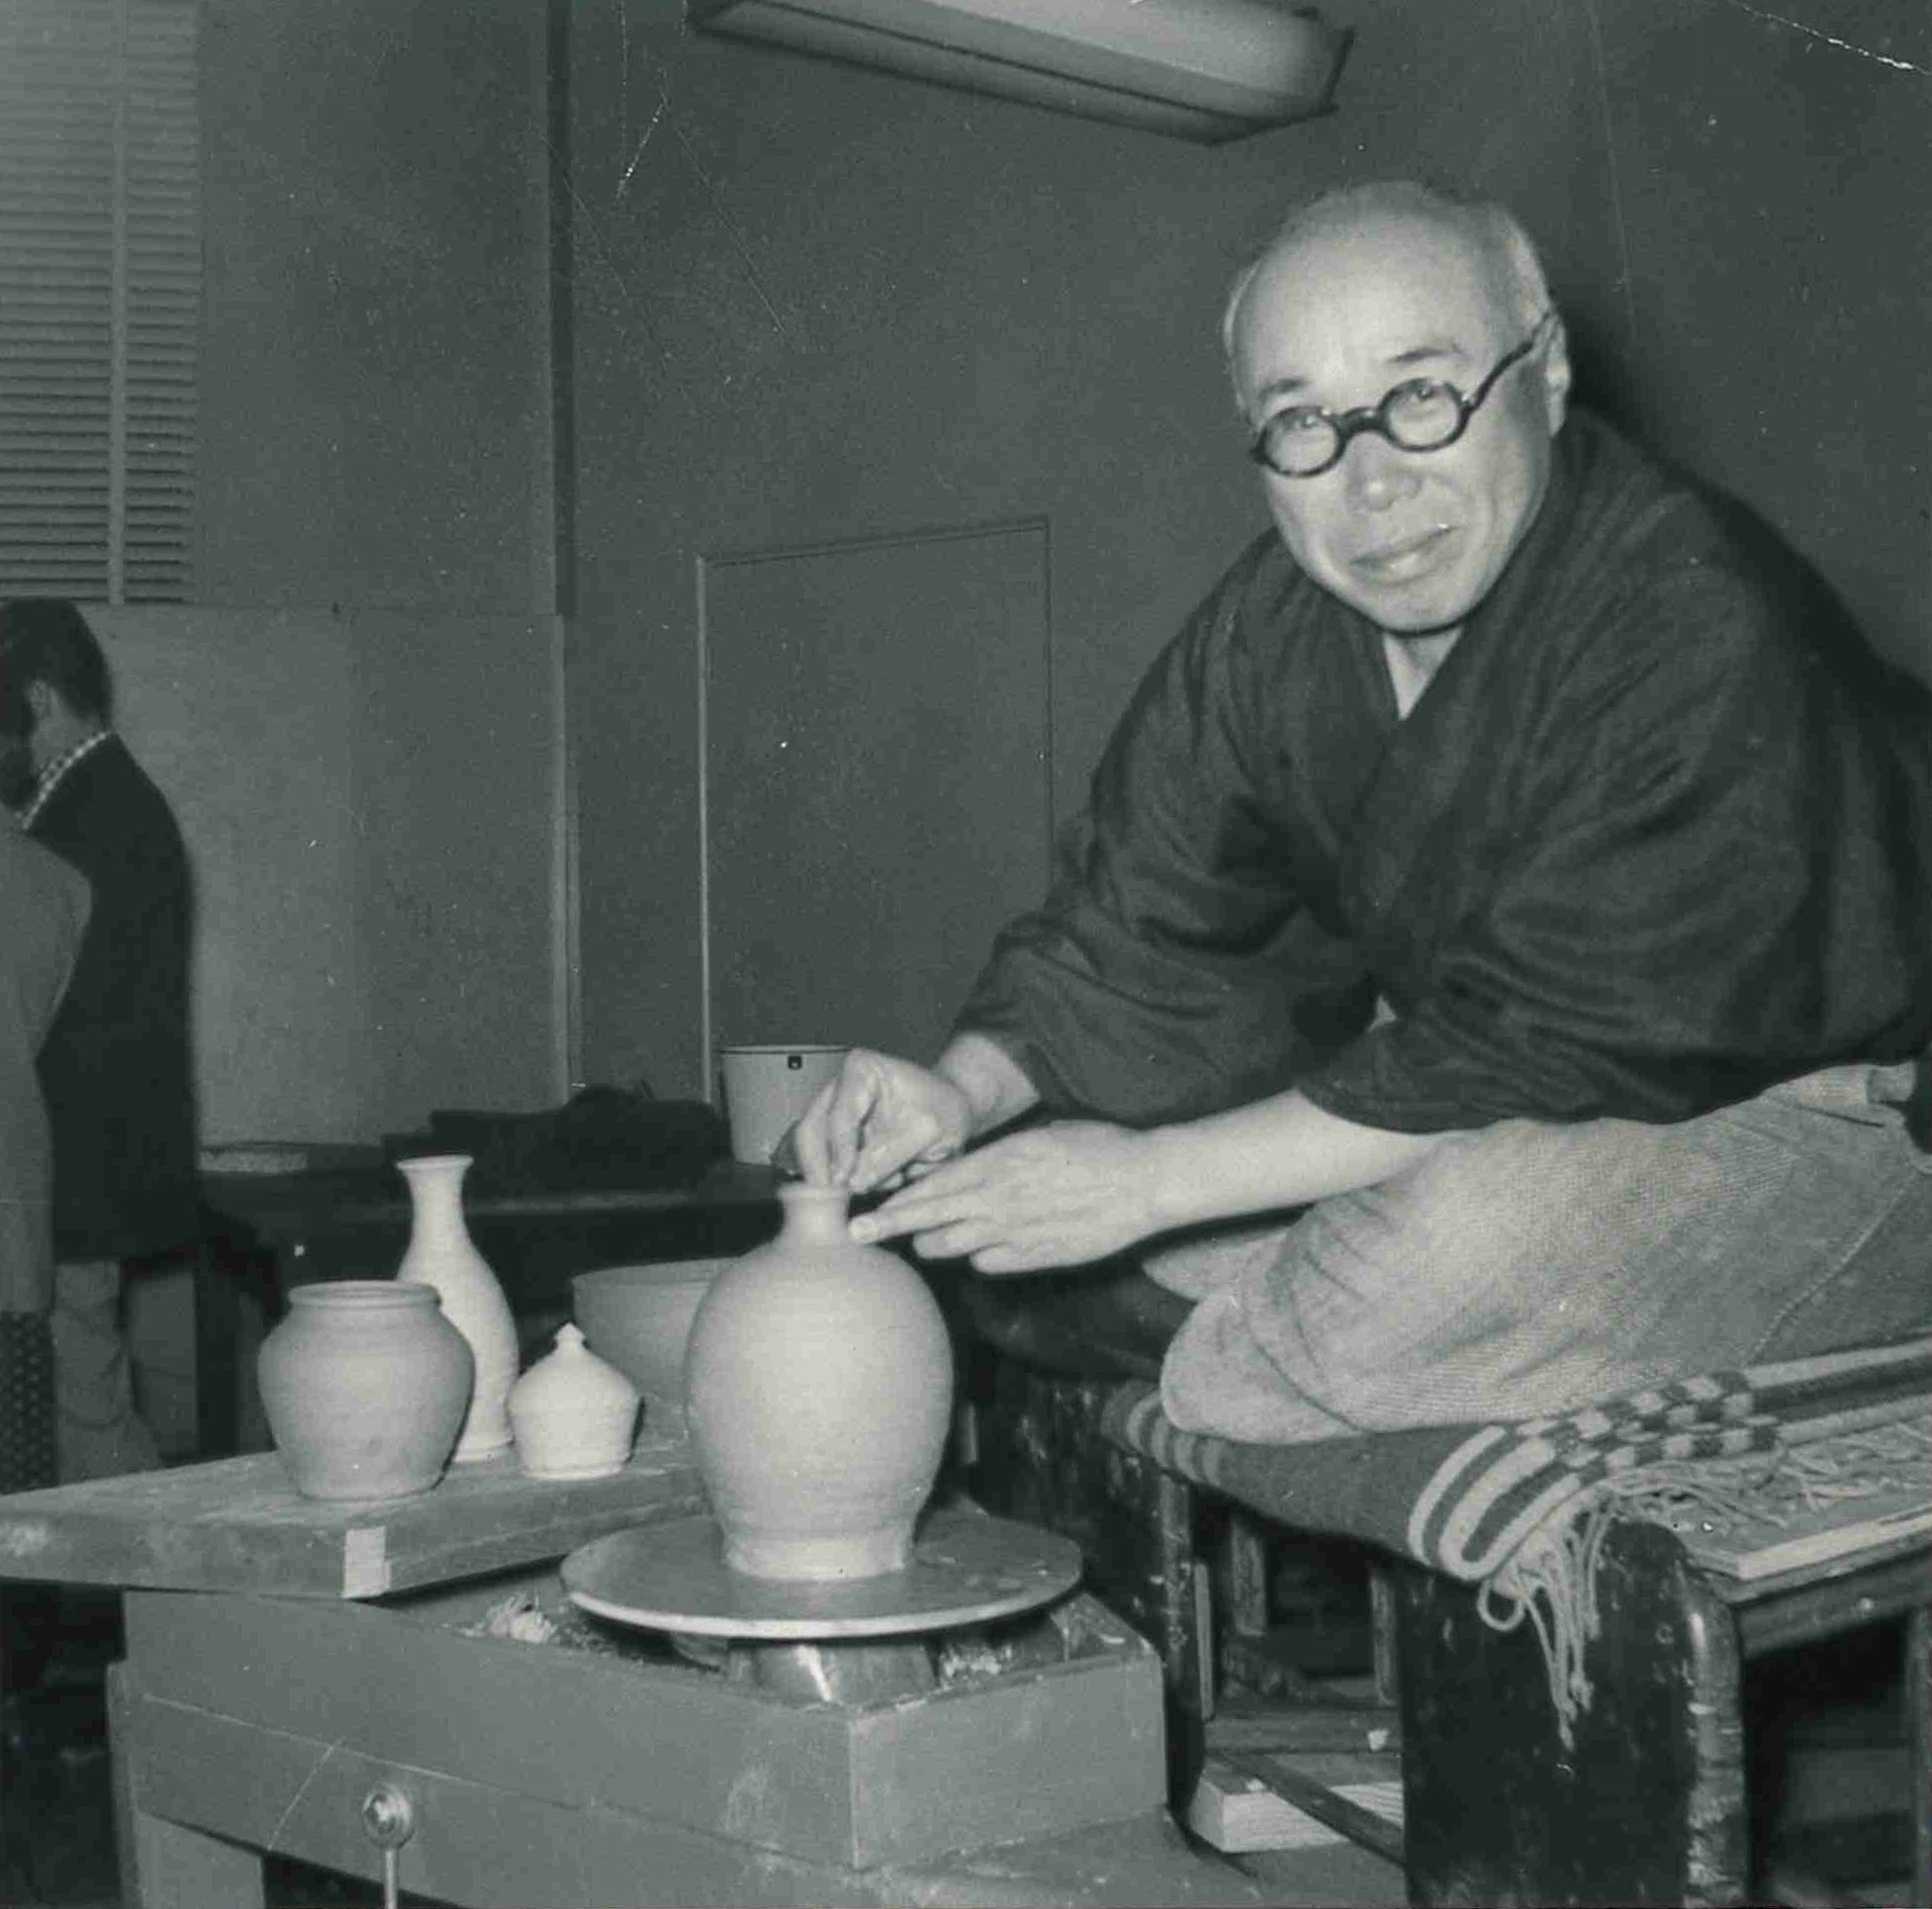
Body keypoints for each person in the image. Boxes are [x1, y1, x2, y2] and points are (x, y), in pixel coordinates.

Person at [788, 179, 1932, 1444]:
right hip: (1511, 1103)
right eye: (1301, 424)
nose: (1371, 483)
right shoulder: (1276, 627)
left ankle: (1272, 1344)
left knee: (1434, 1258)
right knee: (1017, 1219)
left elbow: (1546, 1034)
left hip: (1833, 1112)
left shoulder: (1690, 607)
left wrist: (1151, 1184)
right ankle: (1279, 1327)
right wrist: (958, 1095)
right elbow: (1139, 919)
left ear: (1547, 371)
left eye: (1423, 396)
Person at [0, 599, 198, 1483]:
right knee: (84, 1401)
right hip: (80, 1174)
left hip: (70, 1182)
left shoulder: (89, 820)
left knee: (86, 1413)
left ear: (39, 698)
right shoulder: (99, 801)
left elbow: (53, 1029)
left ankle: (149, 1570)